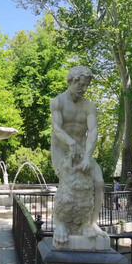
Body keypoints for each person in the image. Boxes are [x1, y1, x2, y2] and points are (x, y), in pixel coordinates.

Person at [50, 66, 107, 244]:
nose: (84, 89)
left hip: (83, 151)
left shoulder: (89, 106)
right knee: (69, 184)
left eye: (87, 86)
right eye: (81, 85)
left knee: (98, 182)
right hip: (61, 149)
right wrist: (70, 142)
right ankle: (61, 223)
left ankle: (91, 223)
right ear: (71, 81)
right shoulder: (57, 102)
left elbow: (94, 131)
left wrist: (87, 157)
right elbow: (57, 128)